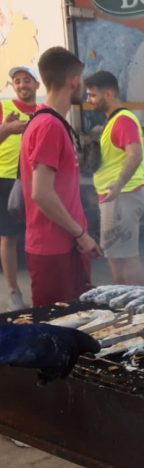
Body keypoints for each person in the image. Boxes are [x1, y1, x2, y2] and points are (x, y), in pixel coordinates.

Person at [20, 47, 101, 306]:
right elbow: (41, 193)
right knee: (56, 331)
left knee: (75, 326)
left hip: (64, 246)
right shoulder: (49, 126)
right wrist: (80, 234)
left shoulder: (50, 122)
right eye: (82, 82)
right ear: (74, 80)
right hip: (55, 249)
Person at [84, 70, 144, 285]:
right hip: (117, 198)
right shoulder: (113, 121)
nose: (88, 100)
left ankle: (135, 309)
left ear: (108, 94)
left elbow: (135, 155)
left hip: (123, 196)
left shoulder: (122, 120)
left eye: (92, 95)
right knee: (115, 256)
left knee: (126, 258)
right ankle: (126, 304)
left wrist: (118, 185)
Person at [0, 66, 39, 310]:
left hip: (36, 180)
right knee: (8, 236)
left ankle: (40, 285)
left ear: (37, 85)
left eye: (27, 80)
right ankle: (13, 291)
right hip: (5, 179)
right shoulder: (5, 108)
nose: (22, 85)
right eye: (17, 81)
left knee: (38, 235)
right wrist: (6, 129)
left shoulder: (44, 111)